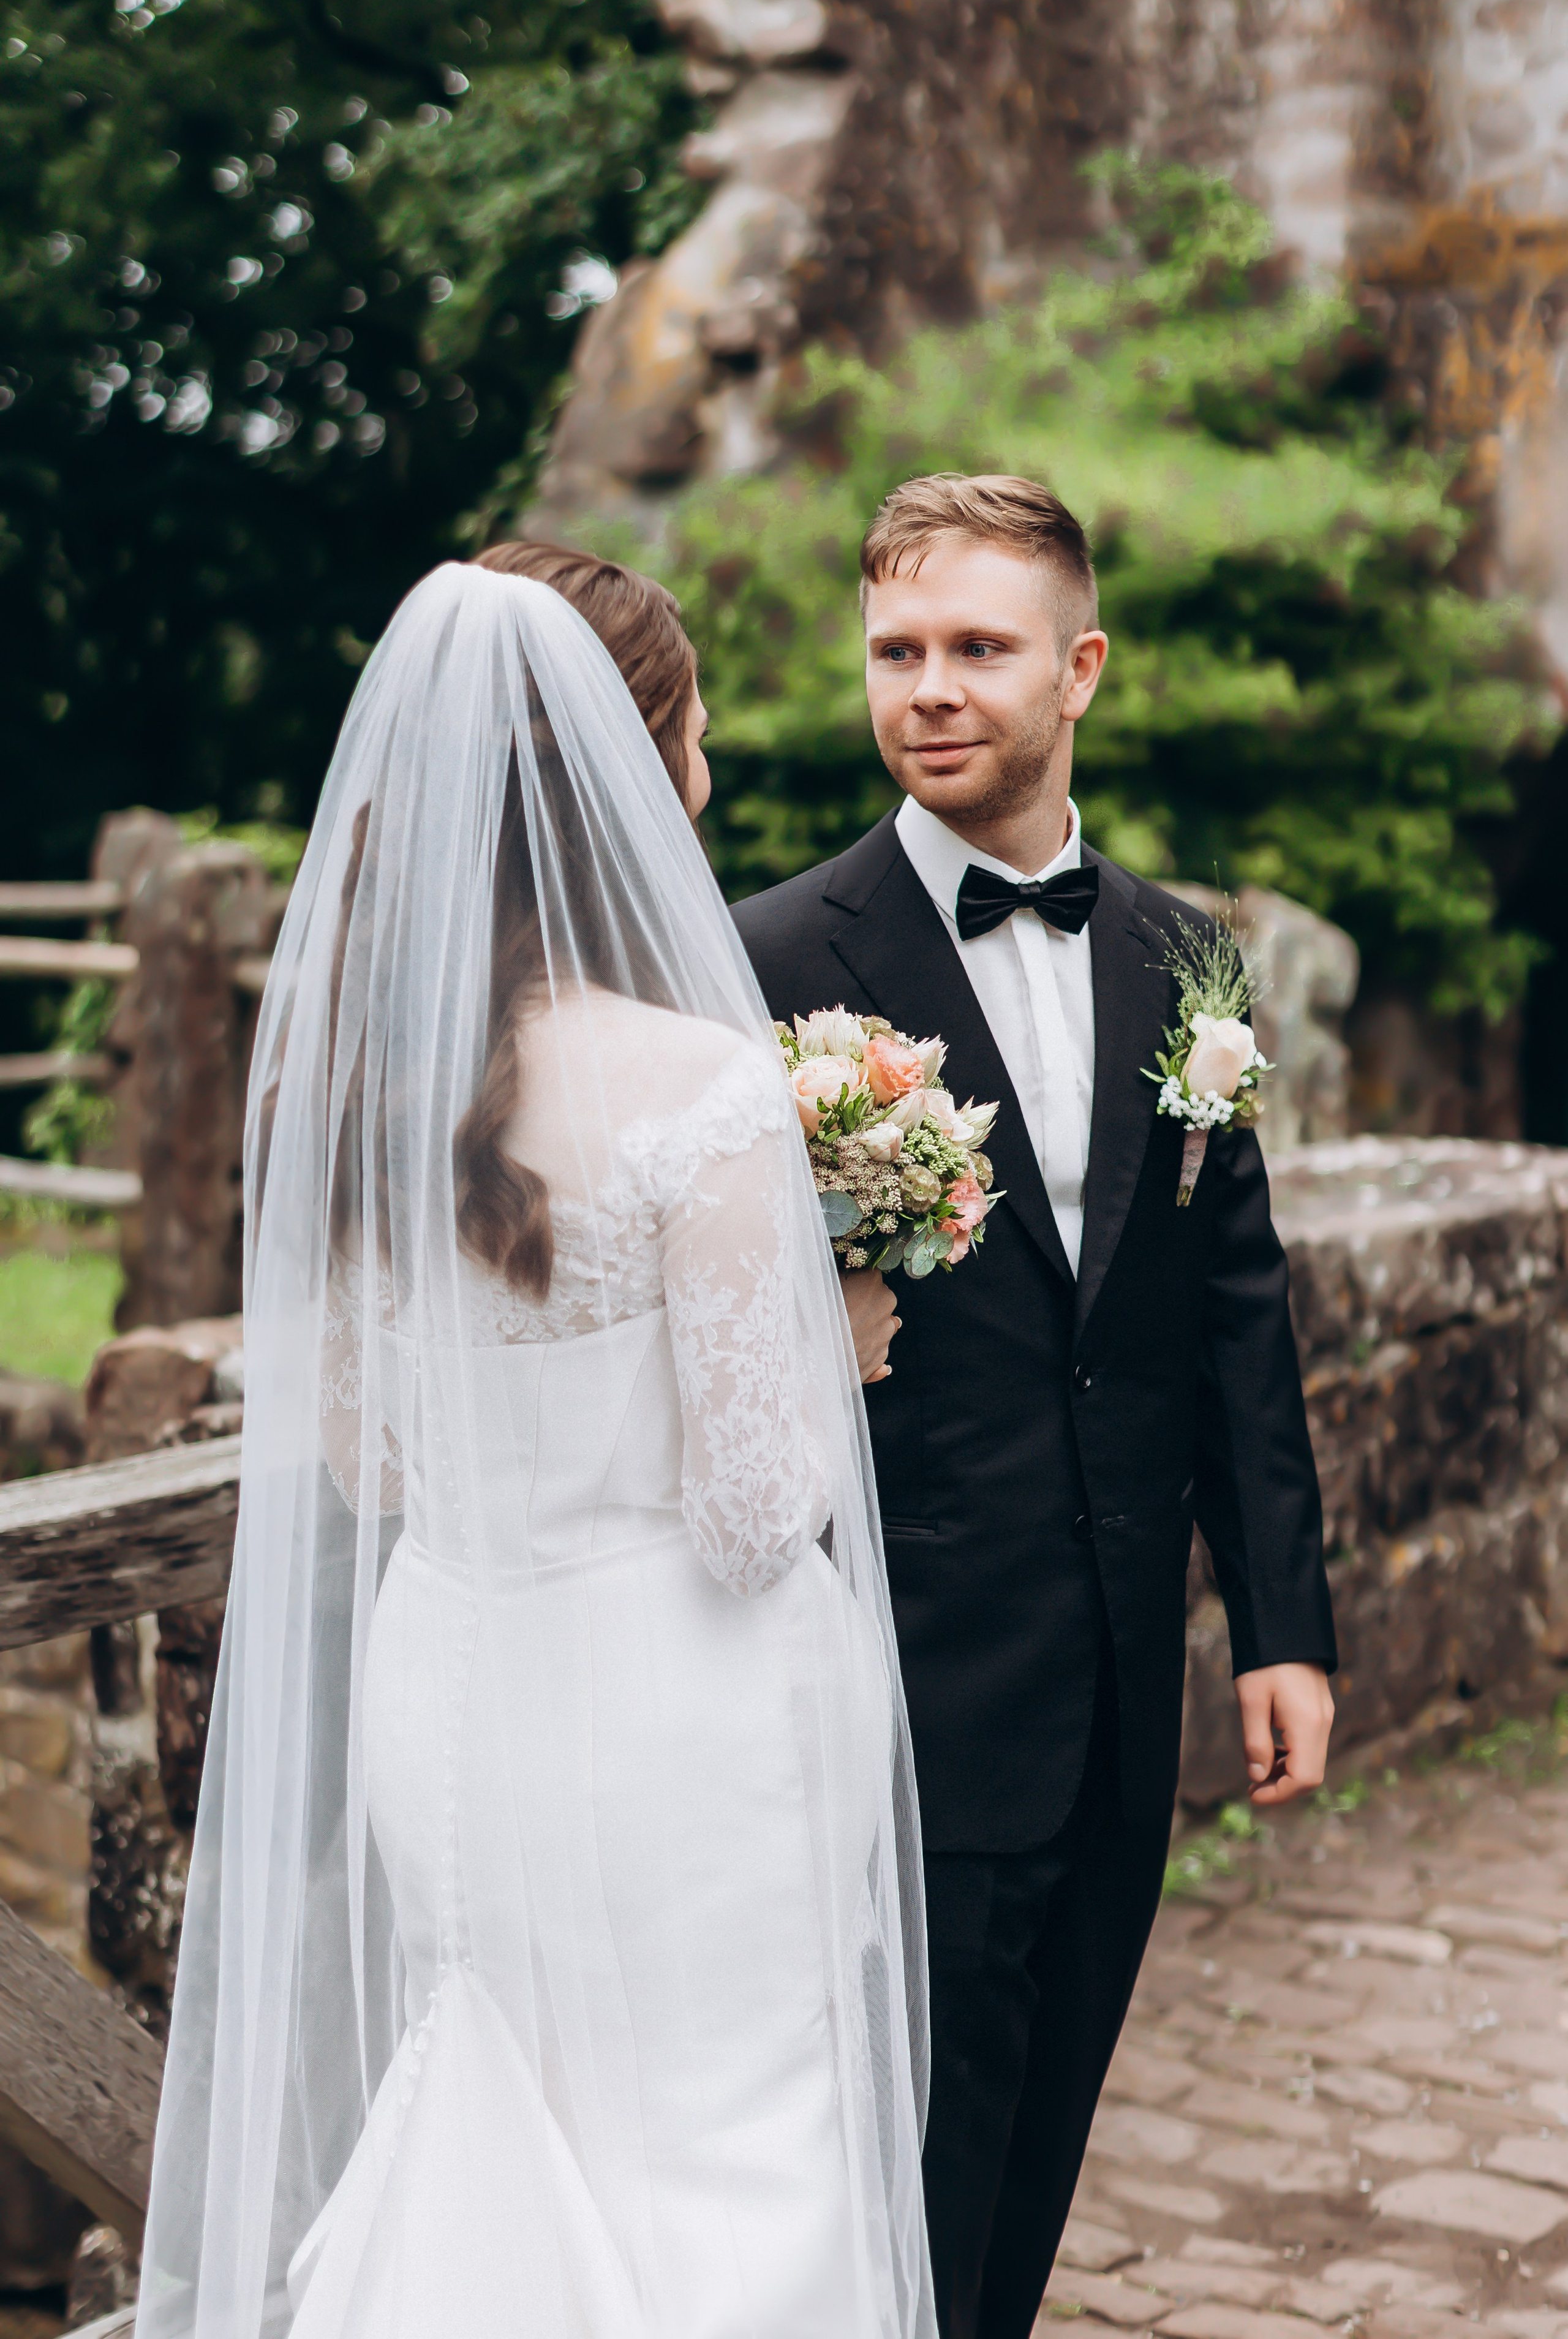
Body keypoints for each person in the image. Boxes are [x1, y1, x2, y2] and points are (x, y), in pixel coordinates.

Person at [137, 557, 933, 2339]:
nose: (711, 765)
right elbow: (748, 1517)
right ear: (618, 769)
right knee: (724, 2153)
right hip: (680, 1713)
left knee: (503, 2117)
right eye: (698, 728)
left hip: (457, 1690)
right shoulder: (699, 1089)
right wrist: (839, 1356)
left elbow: (370, 1458)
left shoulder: (346, 1079)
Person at [733, 473, 1338, 2339]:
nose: (930, 687)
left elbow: (1228, 1314)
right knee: (899, 2158)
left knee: (1037, 2136)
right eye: (897, 650)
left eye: (979, 649)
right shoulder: (768, 963)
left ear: (1079, 669)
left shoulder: (1187, 964)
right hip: (883, 1679)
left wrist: (1281, 1627)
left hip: (1117, 1677)